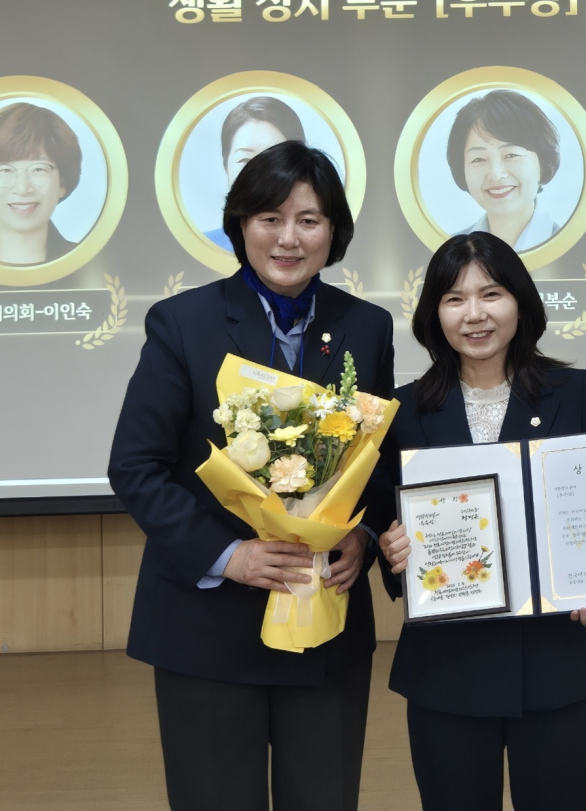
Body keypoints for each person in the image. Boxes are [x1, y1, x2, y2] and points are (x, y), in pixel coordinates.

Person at [108, 141, 394, 811]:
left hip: (324, 622)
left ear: (333, 231)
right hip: (207, 627)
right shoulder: (184, 322)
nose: (288, 238)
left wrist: (363, 537)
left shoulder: (366, 327)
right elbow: (136, 466)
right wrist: (228, 555)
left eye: (309, 220)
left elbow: (379, 464)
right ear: (241, 225)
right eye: (270, 218)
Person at [377, 232, 586, 811]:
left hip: (559, 660)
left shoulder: (574, 391)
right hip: (449, 666)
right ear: (434, 314)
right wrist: (391, 546)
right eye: (454, 299)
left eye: (490, 294)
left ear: (520, 301)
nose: (474, 314)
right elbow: (385, 522)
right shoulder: (403, 410)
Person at [446, 89, 561, 251]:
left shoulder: (574, 249)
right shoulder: (447, 251)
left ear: (543, 163)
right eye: (478, 159)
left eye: (511, 155)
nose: (495, 174)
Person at [204, 96, 306, 250]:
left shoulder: (313, 244)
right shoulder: (209, 243)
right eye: (245, 160)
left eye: (273, 160)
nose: (258, 174)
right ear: (226, 164)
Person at [0, 102, 82, 265]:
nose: (22, 188)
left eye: (39, 169)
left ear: (62, 183)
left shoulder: (89, 264)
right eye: (5, 170)